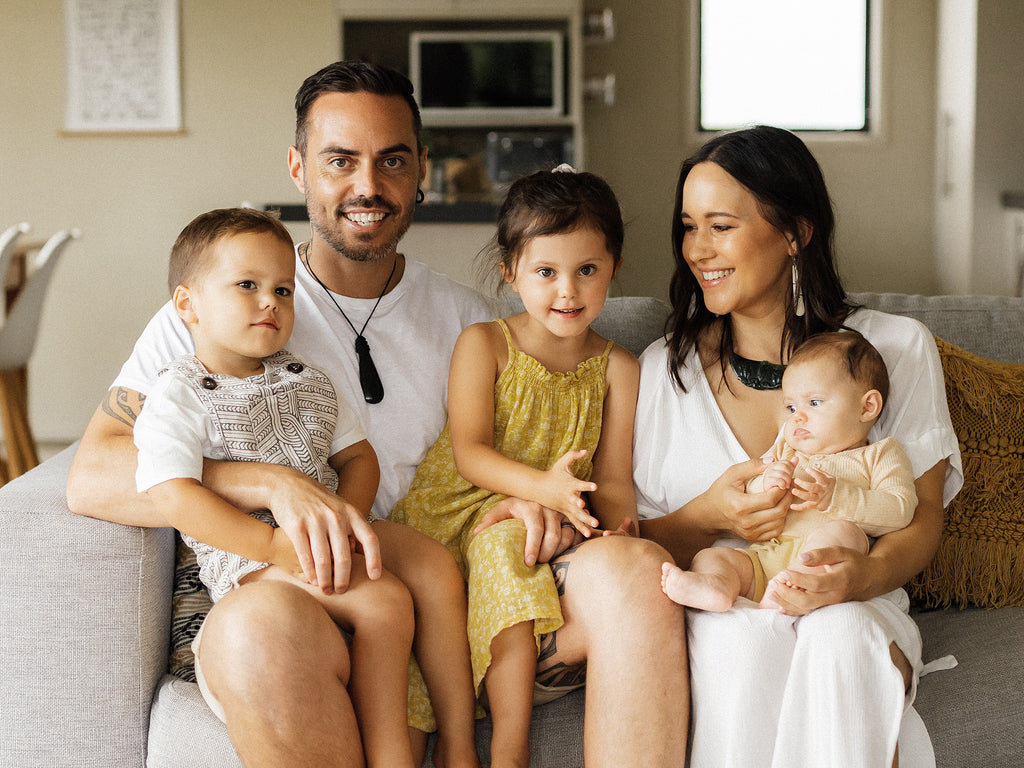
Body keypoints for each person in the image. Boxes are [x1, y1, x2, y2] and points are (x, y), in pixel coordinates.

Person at [66, 60, 688, 768]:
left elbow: (524, 450)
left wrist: (530, 503)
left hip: (460, 603)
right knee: (257, 633)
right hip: (297, 599)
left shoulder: (473, 321)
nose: (368, 186)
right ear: (299, 167)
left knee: (638, 573)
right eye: (340, 160)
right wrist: (271, 485)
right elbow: (93, 475)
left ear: (422, 167)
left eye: (392, 160)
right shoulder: (222, 305)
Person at [632, 125, 963, 768]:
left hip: (857, 600)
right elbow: (638, 542)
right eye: (688, 226)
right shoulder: (659, 372)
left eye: (720, 226)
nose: (698, 249)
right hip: (729, 600)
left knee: (840, 634)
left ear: (794, 233)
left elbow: (922, 519)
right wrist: (709, 517)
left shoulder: (894, 349)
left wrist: (861, 576)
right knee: (740, 645)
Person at [132, 206, 481, 767]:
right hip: (255, 557)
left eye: (283, 290)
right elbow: (170, 492)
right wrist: (272, 547)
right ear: (187, 305)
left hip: (330, 528)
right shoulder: (178, 394)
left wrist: (345, 521)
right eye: (247, 286)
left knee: (433, 563)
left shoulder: (305, 378)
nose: (270, 301)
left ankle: (457, 737)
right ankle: (392, 750)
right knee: (387, 602)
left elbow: (358, 457)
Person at [391, 167, 639, 767]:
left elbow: (612, 479)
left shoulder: (619, 369)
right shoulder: (486, 343)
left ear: (614, 269)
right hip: (450, 512)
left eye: (587, 270)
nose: (568, 292)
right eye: (545, 272)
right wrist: (544, 489)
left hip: (539, 517)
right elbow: (471, 452)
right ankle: (484, 742)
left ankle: (509, 744)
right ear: (511, 274)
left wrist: (615, 529)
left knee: (517, 549)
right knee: (406, 715)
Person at [661, 330, 918, 612]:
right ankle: (716, 586)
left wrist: (839, 497)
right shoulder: (787, 448)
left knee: (845, 533)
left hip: (821, 570)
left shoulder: (880, 454)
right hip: (766, 558)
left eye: (815, 403)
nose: (798, 416)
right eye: (792, 406)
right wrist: (766, 483)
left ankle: (789, 591)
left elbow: (901, 509)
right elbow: (752, 492)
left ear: (867, 406)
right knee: (713, 556)